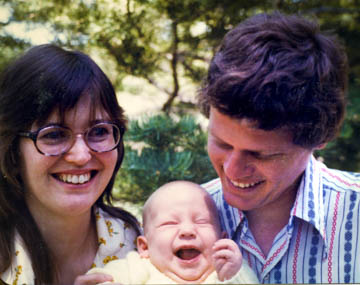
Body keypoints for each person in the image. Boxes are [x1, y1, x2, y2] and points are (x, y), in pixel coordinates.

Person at [198, 11, 360, 284]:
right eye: (222, 143)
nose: (232, 169)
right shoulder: (177, 218)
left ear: (319, 138)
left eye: (261, 154)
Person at [0, 44, 141, 285]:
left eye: (98, 131)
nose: (81, 155)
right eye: (54, 134)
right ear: (12, 151)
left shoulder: (139, 246)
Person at [76, 181, 259, 284]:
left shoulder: (227, 273)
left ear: (222, 240)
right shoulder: (139, 268)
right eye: (170, 223)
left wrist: (234, 275)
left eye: (201, 221)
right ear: (144, 247)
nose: (188, 231)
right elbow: (105, 278)